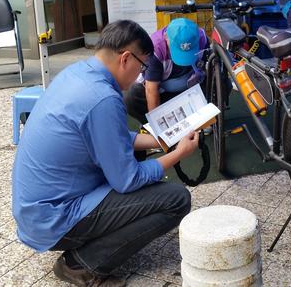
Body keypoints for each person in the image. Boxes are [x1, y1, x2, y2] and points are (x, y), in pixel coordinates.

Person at [12, 20, 198, 287]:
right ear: (125, 58)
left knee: (138, 168)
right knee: (176, 199)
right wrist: (179, 152)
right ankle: (81, 265)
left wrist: (161, 138)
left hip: (36, 209)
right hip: (54, 217)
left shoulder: (78, 73)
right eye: (142, 66)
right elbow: (127, 180)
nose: (140, 76)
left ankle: (95, 241)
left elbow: (112, 137)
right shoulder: (102, 98)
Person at [124, 18, 209, 124]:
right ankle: (150, 126)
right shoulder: (154, 48)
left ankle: (204, 117)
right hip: (163, 92)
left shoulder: (202, 38)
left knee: (221, 77)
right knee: (132, 96)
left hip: (190, 88)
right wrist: (159, 126)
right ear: (166, 38)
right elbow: (151, 90)